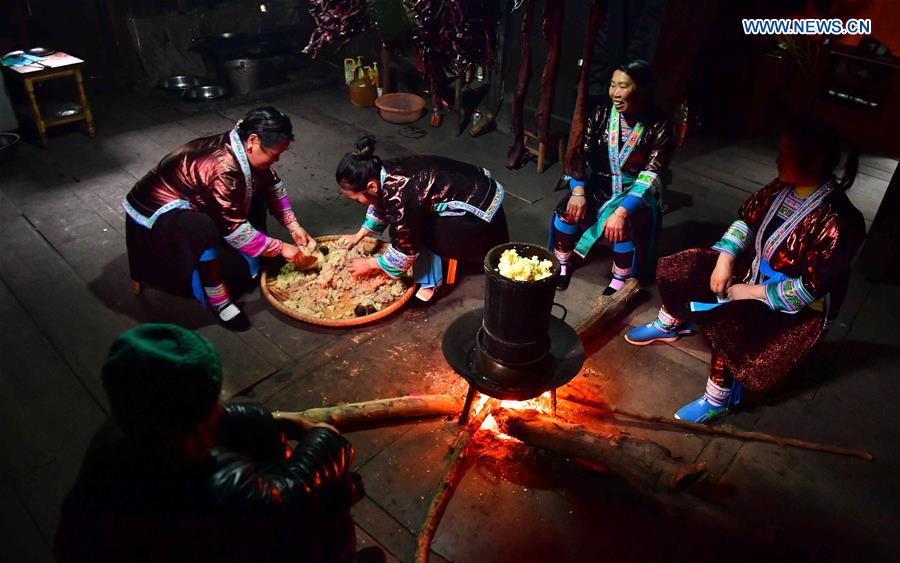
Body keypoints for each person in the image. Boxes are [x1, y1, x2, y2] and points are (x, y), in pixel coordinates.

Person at [55, 323, 380, 563]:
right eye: (214, 401)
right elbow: (287, 494)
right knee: (335, 494)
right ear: (199, 416)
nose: (220, 406)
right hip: (197, 547)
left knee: (267, 437)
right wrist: (326, 439)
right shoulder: (214, 487)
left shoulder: (133, 427)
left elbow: (225, 421)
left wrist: (272, 420)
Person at [625, 118, 867, 424]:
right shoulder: (782, 187)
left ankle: (719, 398)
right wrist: (725, 259)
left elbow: (811, 287)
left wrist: (751, 292)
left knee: (733, 322)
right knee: (692, 265)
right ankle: (674, 322)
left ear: (816, 161)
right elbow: (746, 220)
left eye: (786, 153)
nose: (777, 160)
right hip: (751, 272)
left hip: (793, 307)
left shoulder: (840, 220)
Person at [123, 107, 312, 331]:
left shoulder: (242, 145)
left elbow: (271, 184)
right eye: (274, 154)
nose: (277, 159)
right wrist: (281, 249)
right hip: (158, 210)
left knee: (256, 187)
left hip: (200, 195)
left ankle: (256, 253)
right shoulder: (222, 167)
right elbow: (235, 228)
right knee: (203, 227)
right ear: (253, 140)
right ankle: (220, 301)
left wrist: (293, 225)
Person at [549, 60, 675, 293]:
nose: (615, 94)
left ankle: (620, 280)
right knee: (568, 211)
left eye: (623, 86)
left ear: (642, 90)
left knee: (622, 226)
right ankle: (563, 264)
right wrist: (578, 191)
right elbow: (581, 156)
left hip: (635, 192)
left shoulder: (660, 124)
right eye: (612, 85)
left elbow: (652, 174)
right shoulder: (599, 112)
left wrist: (621, 211)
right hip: (598, 183)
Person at [337, 135, 510, 303]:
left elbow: (406, 245)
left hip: (479, 218)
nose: (358, 203)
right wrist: (358, 235)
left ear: (371, 187)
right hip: (478, 192)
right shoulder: (378, 171)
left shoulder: (400, 191)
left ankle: (430, 285)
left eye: (356, 199)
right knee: (409, 221)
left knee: (416, 231)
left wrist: (371, 264)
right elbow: (381, 203)